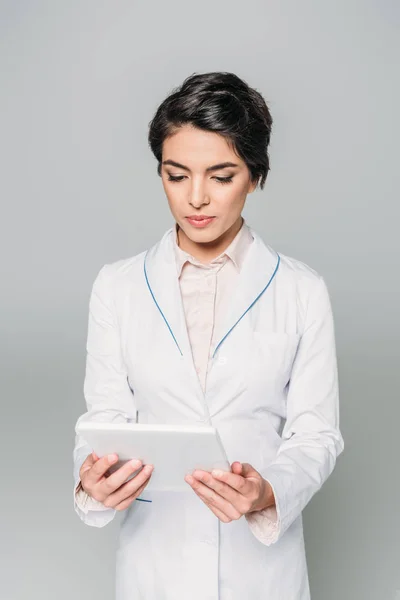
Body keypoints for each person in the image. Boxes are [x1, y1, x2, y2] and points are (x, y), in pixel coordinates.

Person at [72, 71, 344, 600]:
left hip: (260, 569)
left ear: (255, 176)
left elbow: (316, 434)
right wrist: (93, 482)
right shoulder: (117, 286)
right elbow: (103, 419)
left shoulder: (302, 291)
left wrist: (268, 492)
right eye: (177, 175)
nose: (196, 198)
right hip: (156, 562)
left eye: (221, 176)